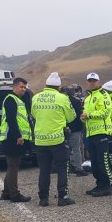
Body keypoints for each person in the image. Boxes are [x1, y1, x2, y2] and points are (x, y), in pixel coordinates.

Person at [31, 72, 76, 207]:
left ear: (46, 85)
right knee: (62, 168)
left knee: (44, 170)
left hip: (40, 140)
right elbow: (71, 117)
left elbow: (33, 114)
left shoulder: (36, 97)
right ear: (58, 86)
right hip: (57, 140)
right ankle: (63, 196)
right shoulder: (62, 98)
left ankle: (43, 199)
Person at [81, 72, 112, 196]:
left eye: (94, 80)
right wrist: (83, 117)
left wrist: (90, 115)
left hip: (102, 132)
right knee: (94, 162)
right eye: (90, 80)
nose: (92, 83)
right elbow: (86, 113)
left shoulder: (103, 94)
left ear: (98, 81)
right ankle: (99, 184)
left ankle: (105, 186)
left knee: (101, 161)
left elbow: (105, 112)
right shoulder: (88, 97)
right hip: (91, 133)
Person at [0, 77, 33, 202]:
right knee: (13, 167)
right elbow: (11, 120)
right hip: (12, 138)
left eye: (25, 87)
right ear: (14, 86)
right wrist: (18, 136)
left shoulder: (19, 100)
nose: (23, 89)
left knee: (11, 166)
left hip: (13, 138)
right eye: (21, 87)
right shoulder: (11, 100)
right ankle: (14, 194)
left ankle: (6, 193)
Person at [63, 84, 89, 176]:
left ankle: (67, 168)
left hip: (64, 128)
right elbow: (80, 114)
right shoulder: (77, 102)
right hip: (76, 128)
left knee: (66, 149)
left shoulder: (62, 101)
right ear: (74, 92)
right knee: (76, 149)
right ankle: (79, 169)